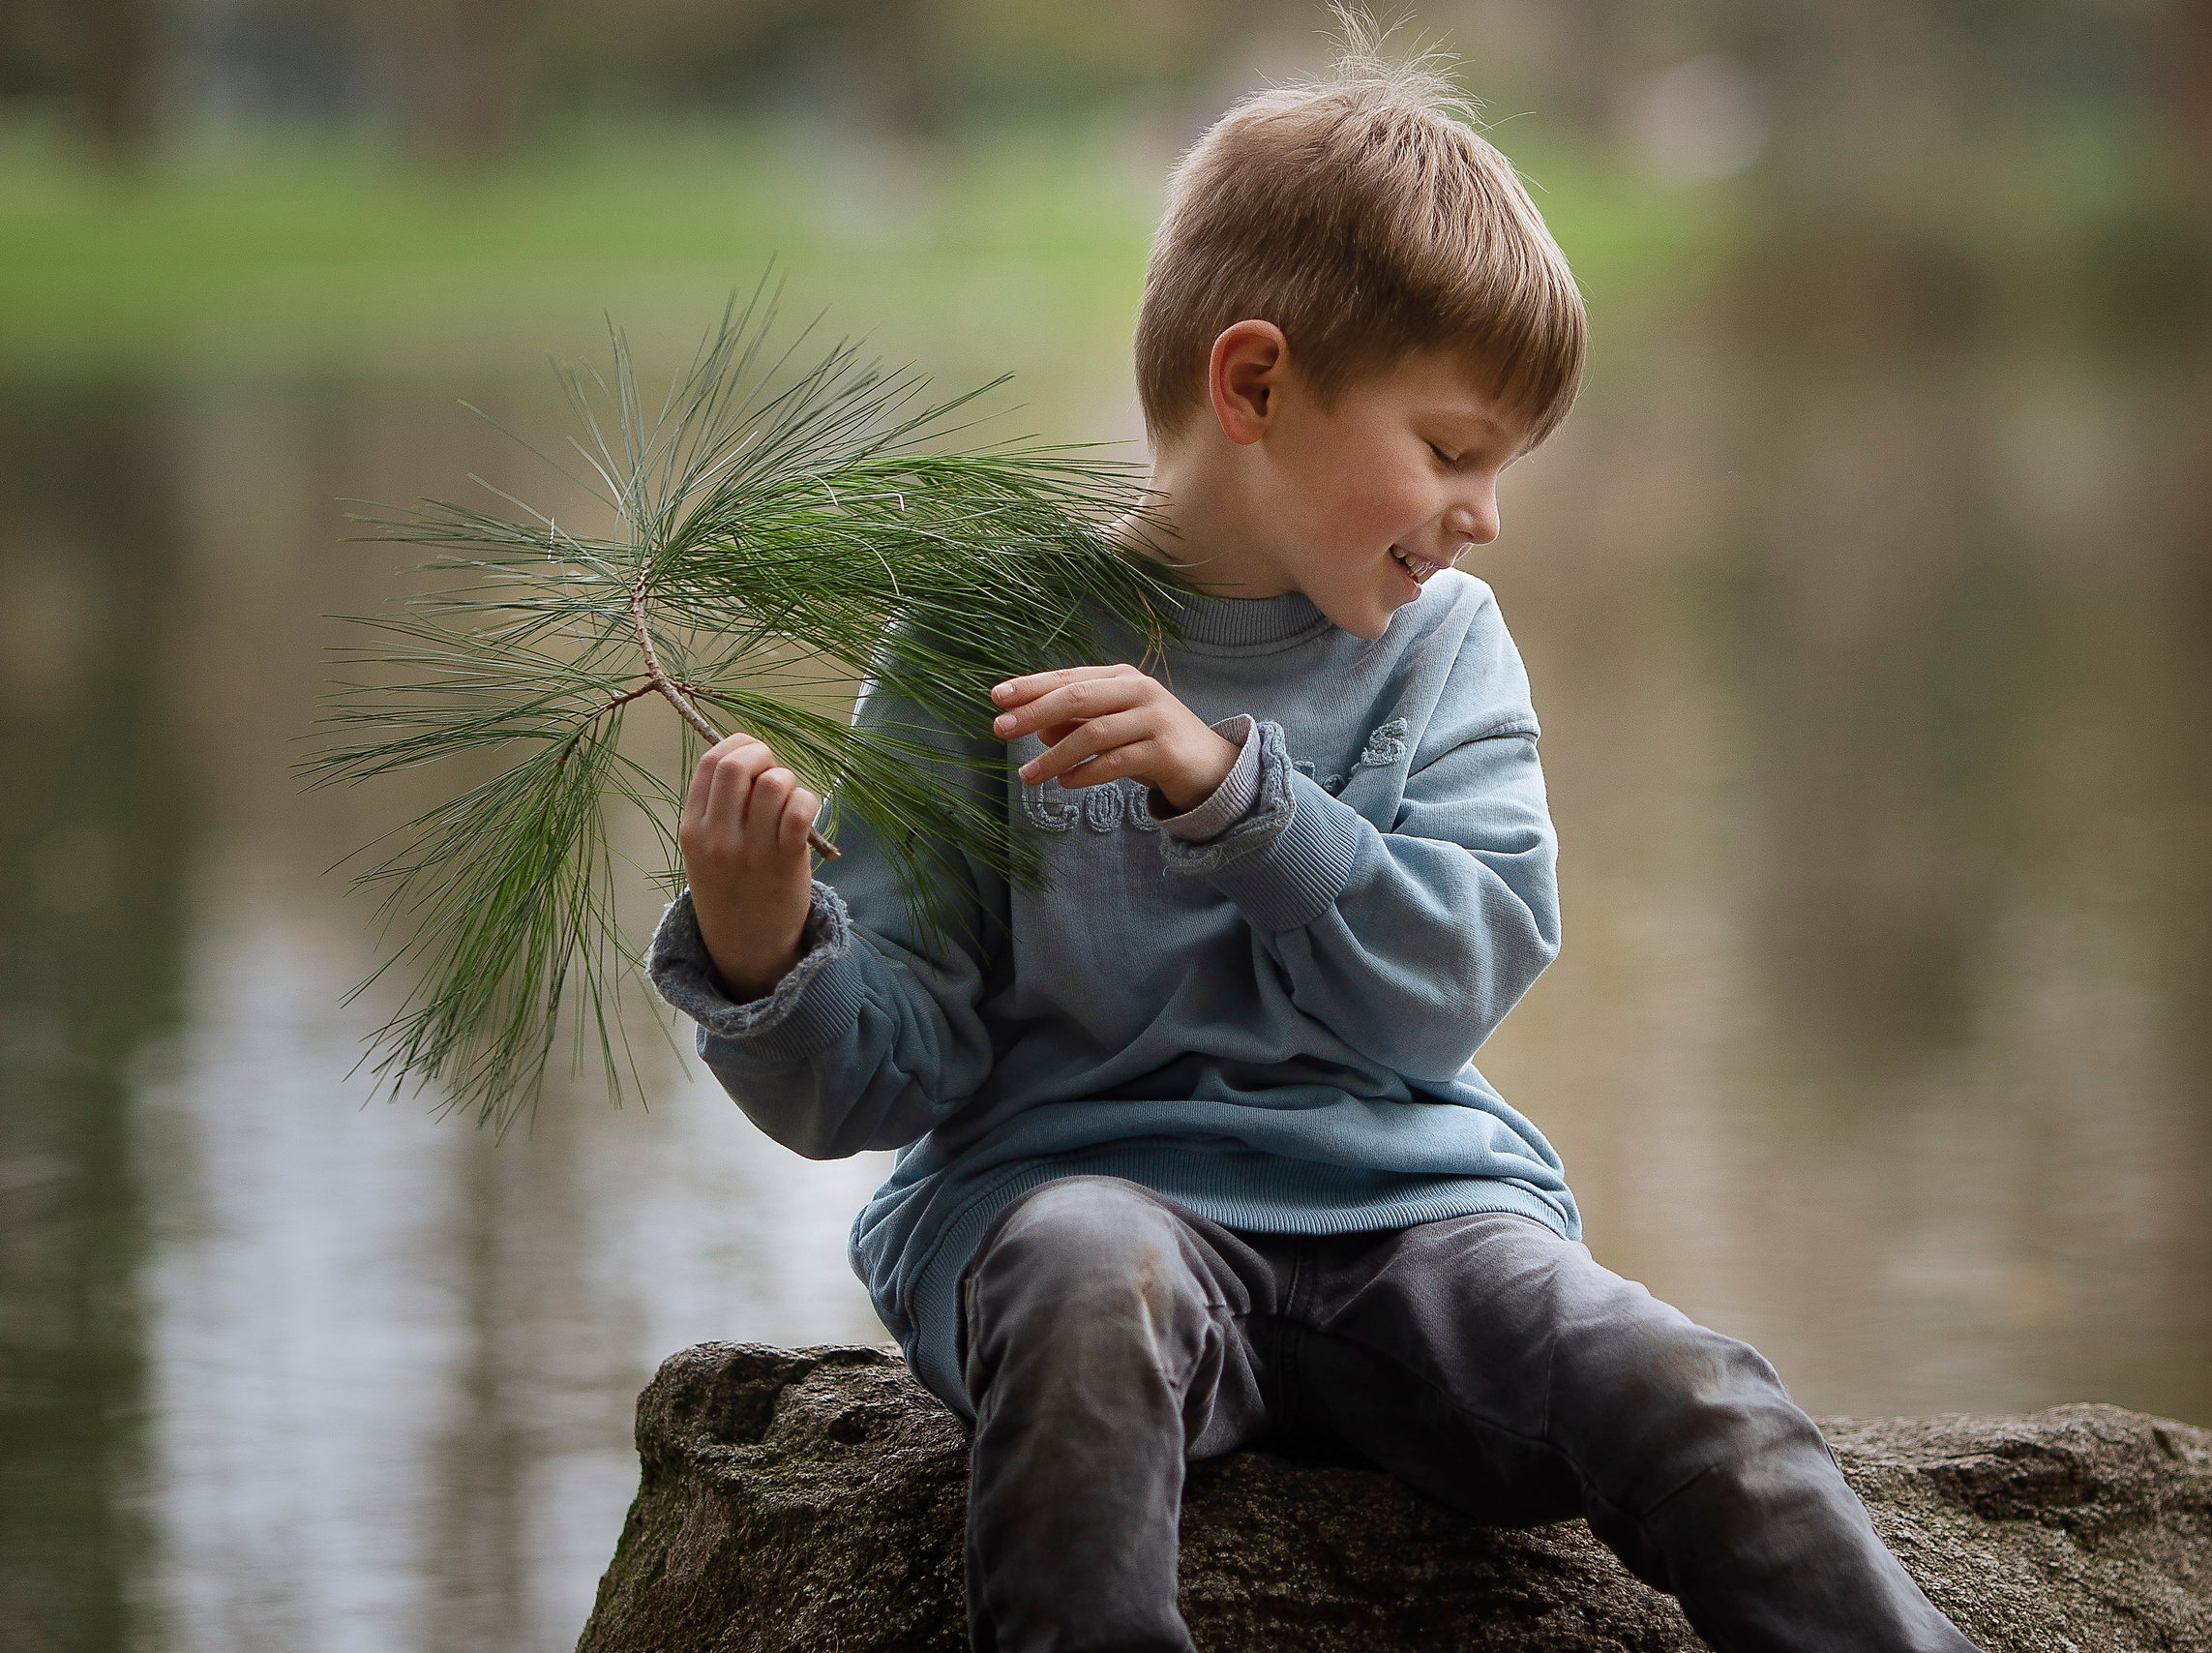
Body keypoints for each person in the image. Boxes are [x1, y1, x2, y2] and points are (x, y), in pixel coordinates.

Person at [645, 20, 1983, 1653]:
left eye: (1500, 467)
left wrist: (1238, 798)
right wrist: (764, 940)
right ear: (1258, 383)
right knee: (1082, 1274)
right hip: (1078, 1201)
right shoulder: (980, 632)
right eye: (1450, 451)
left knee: (1688, 1387)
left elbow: (1450, 988)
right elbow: (884, 1074)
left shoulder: (1445, 649)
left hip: (1405, 1219)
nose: (1482, 516)